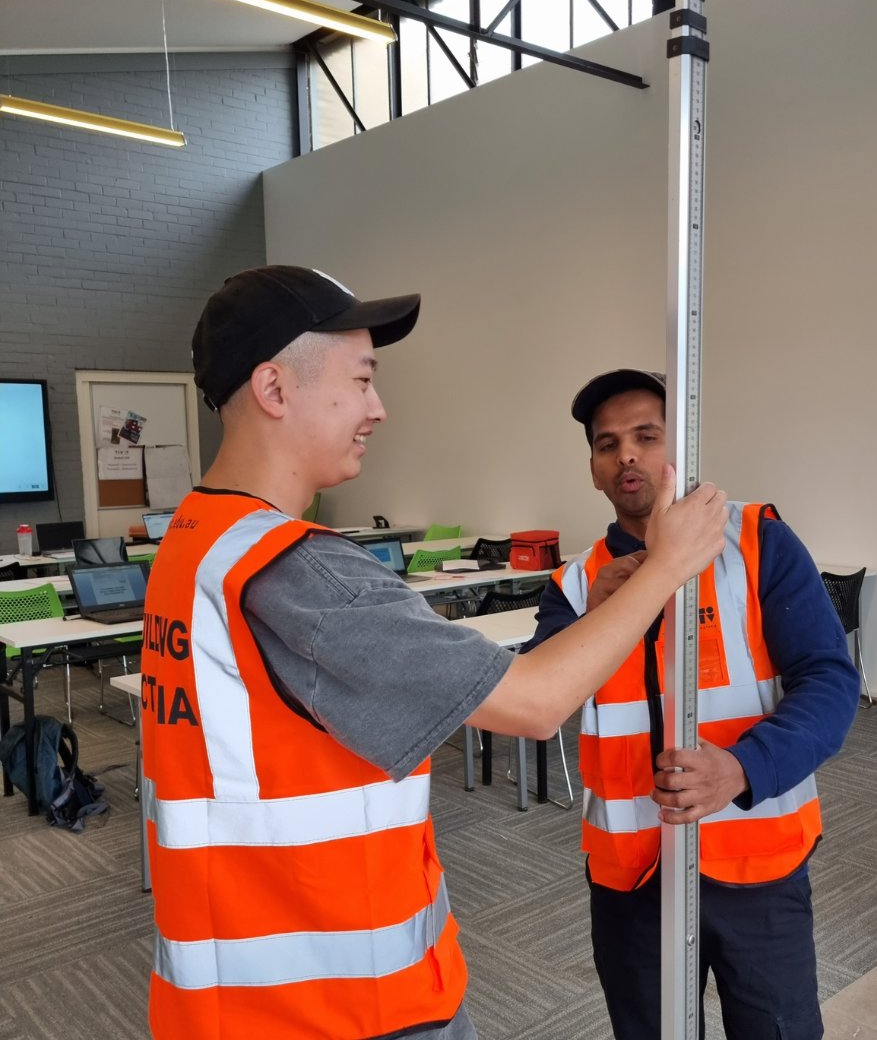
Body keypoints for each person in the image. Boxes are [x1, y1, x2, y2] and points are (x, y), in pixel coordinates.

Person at [138, 268, 731, 1040]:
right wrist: (665, 569)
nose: (377, 409)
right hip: (344, 1003)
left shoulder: (194, 541)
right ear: (275, 390)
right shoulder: (296, 570)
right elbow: (532, 702)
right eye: (361, 380)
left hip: (227, 998)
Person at [524, 368, 861, 1040]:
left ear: (682, 447)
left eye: (646, 436)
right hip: (632, 878)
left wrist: (739, 769)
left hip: (756, 867)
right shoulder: (576, 584)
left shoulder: (757, 544)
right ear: (593, 469)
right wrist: (595, 617)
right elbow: (537, 696)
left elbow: (829, 681)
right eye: (607, 443)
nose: (626, 455)